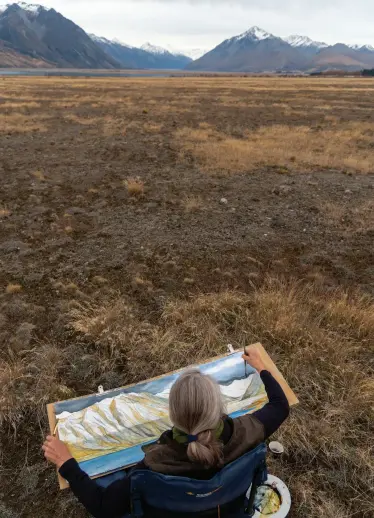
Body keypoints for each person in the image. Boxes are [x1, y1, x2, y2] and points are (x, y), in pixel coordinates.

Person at [43, 346, 290, 518]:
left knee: (104, 477)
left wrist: (67, 464)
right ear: (218, 408)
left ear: (171, 415)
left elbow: (102, 507)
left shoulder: (151, 465)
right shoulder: (248, 432)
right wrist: (260, 366)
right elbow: (280, 405)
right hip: (226, 508)